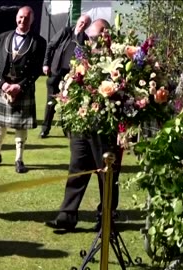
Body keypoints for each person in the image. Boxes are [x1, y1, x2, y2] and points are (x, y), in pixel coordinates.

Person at [45, 18, 121, 232]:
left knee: (107, 174)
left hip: (104, 127)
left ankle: (107, 218)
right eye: (90, 38)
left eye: (96, 38)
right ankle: (66, 216)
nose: (92, 42)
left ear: (107, 36)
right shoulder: (83, 57)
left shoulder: (117, 62)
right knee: (76, 170)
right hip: (82, 124)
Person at [0, 6, 46, 173]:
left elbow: (36, 69)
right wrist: (2, 83)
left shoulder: (38, 42)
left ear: (32, 20)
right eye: (20, 17)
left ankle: (19, 160)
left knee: (20, 125)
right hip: (3, 86)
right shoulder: (4, 37)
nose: (22, 20)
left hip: (22, 88)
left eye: (26, 18)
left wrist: (20, 86)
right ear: (16, 18)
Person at [40, 15, 91, 139]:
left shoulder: (85, 39)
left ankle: (66, 129)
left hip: (70, 76)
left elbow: (85, 58)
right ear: (78, 21)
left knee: (67, 103)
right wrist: (46, 64)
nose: (82, 25)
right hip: (56, 72)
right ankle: (45, 129)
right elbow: (51, 46)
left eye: (86, 24)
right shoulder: (66, 31)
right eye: (82, 22)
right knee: (51, 101)